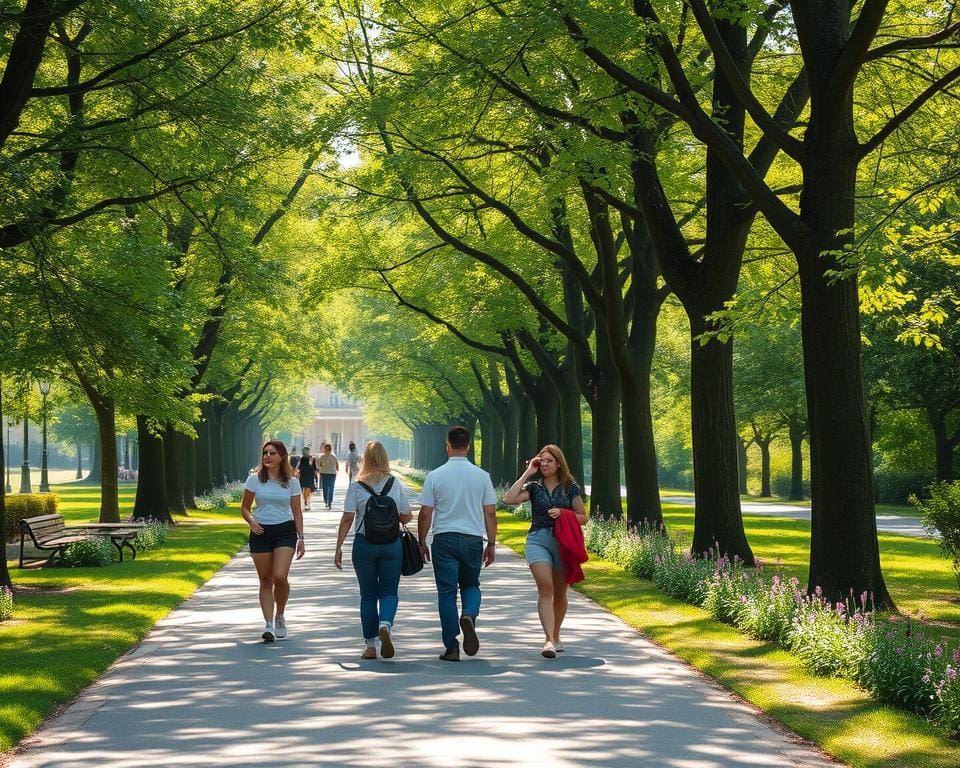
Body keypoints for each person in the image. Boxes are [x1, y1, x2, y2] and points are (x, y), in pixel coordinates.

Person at [417, 425, 497, 662]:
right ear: (469, 446)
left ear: (447, 446)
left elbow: (424, 514)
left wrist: (421, 541)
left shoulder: (435, 476)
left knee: (447, 593)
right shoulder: (482, 476)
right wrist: (491, 543)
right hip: (472, 538)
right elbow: (490, 513)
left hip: (444, 539)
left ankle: (451, 646)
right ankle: (470, 615)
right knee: (471, 585)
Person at [503, 444, 587, 658]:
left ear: (559, 463)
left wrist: (563, 513)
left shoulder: (571, 488)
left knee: (560, 592)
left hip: (562, 543)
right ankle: (548, 640)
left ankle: (556, 635)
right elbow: (509, 499)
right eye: (542, 460)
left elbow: (583, 517)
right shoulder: (533, 487)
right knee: (546, 589)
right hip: (537, 540)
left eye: (549, 460)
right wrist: (527, 472)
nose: (545, 464)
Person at [334, 441, 414, 659]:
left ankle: (370, 646)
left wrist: (339, 547)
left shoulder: (357, 486)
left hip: (364, 545)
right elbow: (406, 515)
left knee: (368, 595)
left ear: (365, 460)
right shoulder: (394, 484)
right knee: (389, 592)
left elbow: (347, 518)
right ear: (385, 458)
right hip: (391, 545)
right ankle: (385, 624)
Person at [241, 440, 305, 643]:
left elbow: (296, 511)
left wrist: (301, 537)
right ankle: (268, 624)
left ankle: (280, 615)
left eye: (272, 453)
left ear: (282, 457)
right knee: (265, 580)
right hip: (261, 531)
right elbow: (244, 507)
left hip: (285, 531)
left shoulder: (292, 482)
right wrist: (251, 521)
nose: (267, 456)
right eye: (265, 453)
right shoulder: (254, 480)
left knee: (279, 576)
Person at [318, 442, 339, 509]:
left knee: (331, 488)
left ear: (330, 449)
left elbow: (337, 466)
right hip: (324, 473)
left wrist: (335, 470)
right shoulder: (322, 457)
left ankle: (329, 502)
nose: (327, 450)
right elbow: (320, 465)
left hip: (332, 474)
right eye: (326, 449)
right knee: (325, 488)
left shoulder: (333, 456)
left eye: (328, 449)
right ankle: (326, 501)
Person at [297, 446, 318, 510]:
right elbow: (299, 467)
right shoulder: (302, 459)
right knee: (305, 489)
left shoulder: (311, 459)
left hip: (309, 475)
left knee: (308, 489)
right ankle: (306, 502)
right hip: (304, 475)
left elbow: (314, 468)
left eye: (307, 451)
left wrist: (315, 475)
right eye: (305, 451)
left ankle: (307, 502)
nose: (306, 452)